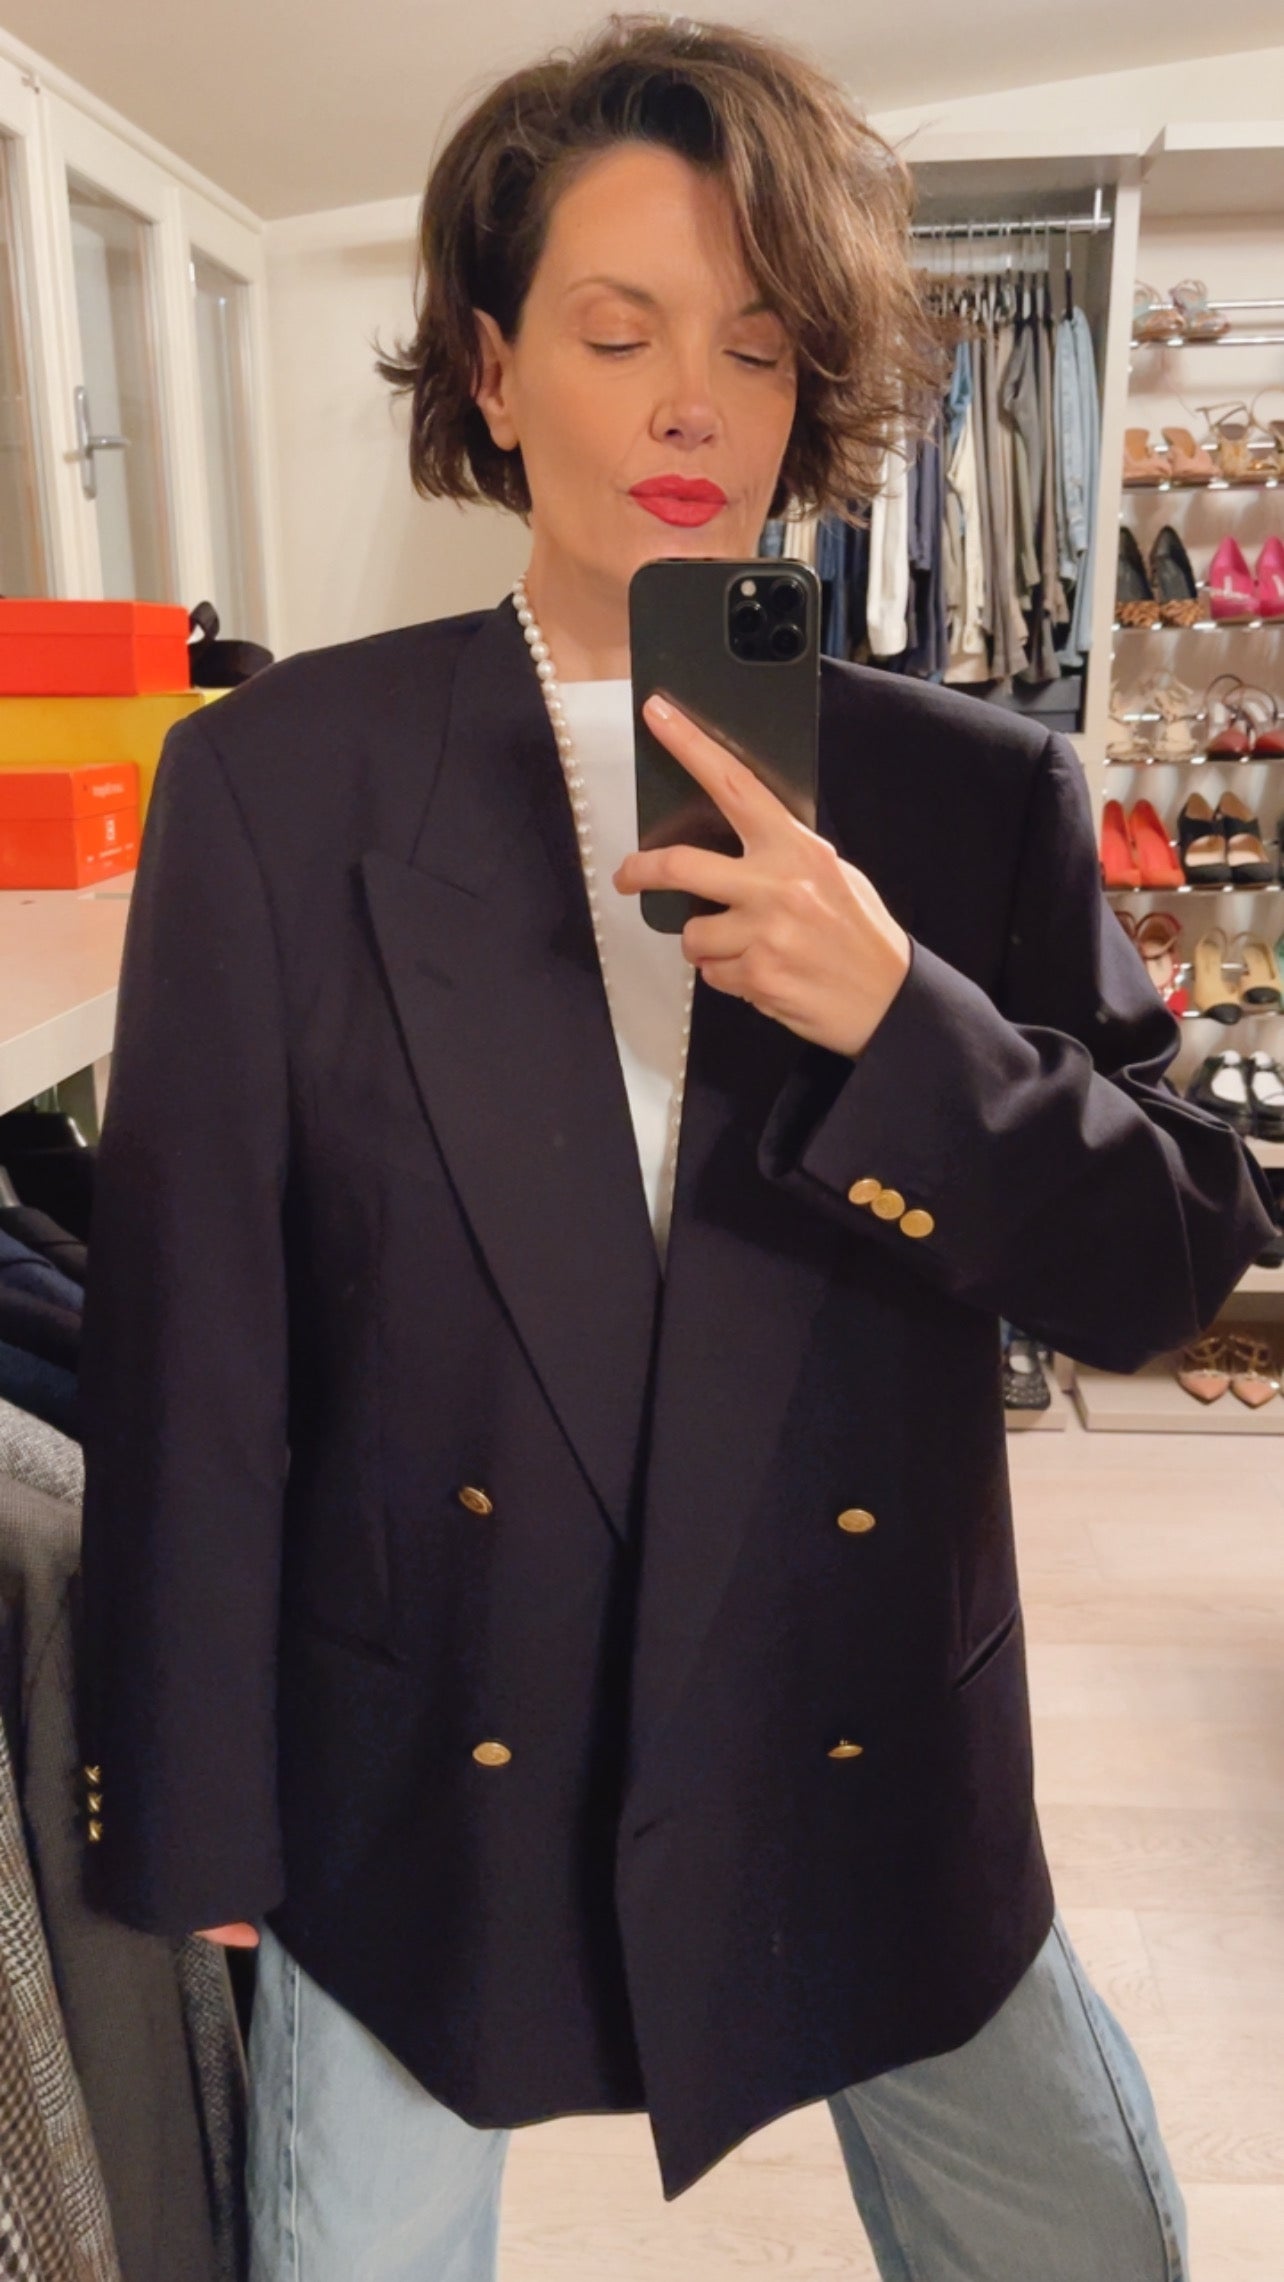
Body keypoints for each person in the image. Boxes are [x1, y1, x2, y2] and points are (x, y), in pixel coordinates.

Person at [77, 16, 1273, 2280]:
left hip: (863, 1721)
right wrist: (197, 1798)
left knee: (1083, 2244)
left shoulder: (968, 796)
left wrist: (901, 1020)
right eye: (618, 335)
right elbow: (194, 1349)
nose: (690, 406)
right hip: (431, 1736)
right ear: (495, 369)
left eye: (752, 344)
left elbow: (1168, 1256)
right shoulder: (279, 785)